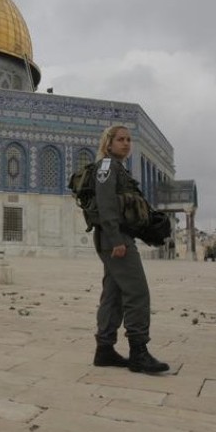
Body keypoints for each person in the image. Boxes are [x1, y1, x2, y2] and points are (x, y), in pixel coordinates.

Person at [89, 125, 169, 373]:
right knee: (137, 293)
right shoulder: (106, 167)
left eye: (128, 139)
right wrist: (116, 240)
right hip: (115, 238)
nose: (126, 143)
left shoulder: (117, 168)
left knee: (113, 295)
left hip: (118, 236)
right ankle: (139, 352)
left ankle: (104, 350)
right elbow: (105, 205)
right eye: (120, 139)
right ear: (108, 143)